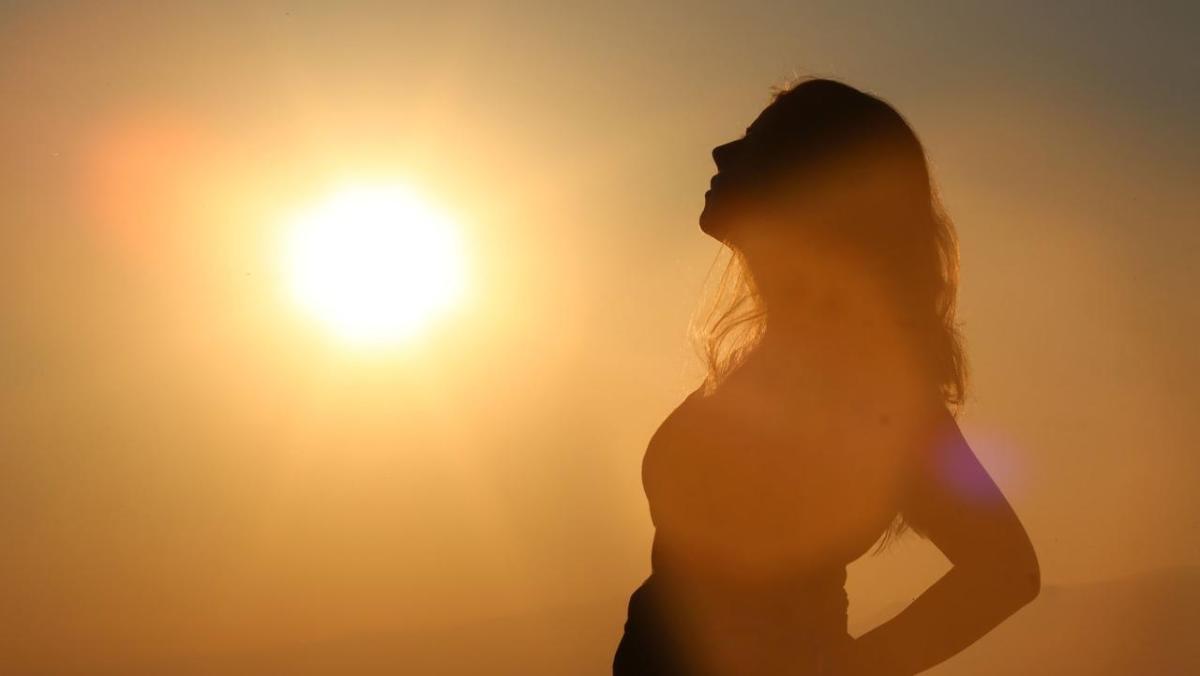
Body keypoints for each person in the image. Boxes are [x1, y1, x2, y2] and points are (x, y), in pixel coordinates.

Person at [613, 78, 1040, 676]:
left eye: (755, 146)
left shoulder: (866, 383)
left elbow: (1006, 571)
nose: (721, 154)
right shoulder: (778, 360)